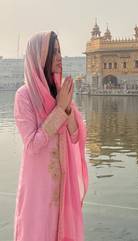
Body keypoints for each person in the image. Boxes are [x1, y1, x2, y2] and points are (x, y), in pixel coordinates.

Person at [13, 31, 88, 241]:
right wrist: (60, 108)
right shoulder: (25, 96)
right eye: (53, 52)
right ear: (40, 57)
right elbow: (32, 145)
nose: (59, 57)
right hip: (38, 189)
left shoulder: (59, 93)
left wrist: (67, 107)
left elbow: (75, 137)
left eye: (59, 51)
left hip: (62, 187)